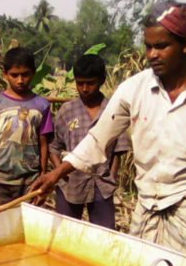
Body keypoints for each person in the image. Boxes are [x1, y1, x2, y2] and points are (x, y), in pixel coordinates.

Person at [30, 1, 186, 260]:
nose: (152, 54)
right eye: (148, 46)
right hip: (148, 203)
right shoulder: (134, 89)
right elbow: (99, 138)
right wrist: (56, 174)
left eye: (161, 46)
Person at [50, 54, 131, 229]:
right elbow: (55, 147)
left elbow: (118, 151)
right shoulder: (67, 111)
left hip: (102, 185)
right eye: (80, 83)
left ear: (101, 80)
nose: (85, 88)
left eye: (90, 83)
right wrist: (60, 172)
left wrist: (112, 176)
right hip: (70, 185)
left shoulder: (113, 110)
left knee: (104, 233)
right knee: (66, 233)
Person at [0, 47, 54, 205]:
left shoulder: (42, 105)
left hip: (30, 181)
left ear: (33, 73)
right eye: (14, 75)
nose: (20, 80)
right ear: (5, 74)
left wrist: (43, 176)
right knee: (0, 224)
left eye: (25, 74)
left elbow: (43, 143)